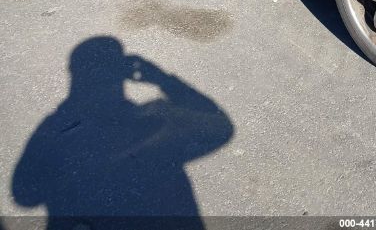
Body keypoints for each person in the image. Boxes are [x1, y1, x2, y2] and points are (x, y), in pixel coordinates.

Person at [12, 36, 233, 229]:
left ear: (73, 72)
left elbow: (25, 195)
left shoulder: (55, 124)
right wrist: (162, 78)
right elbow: (221, 129)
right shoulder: (151, 119)